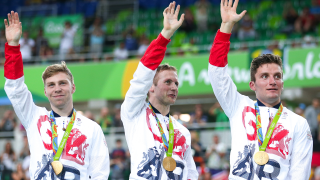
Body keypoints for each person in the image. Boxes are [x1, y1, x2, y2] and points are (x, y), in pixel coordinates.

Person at [208, 0, 313, 179]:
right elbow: (217, 72)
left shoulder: (298, 123)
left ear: (282, 83)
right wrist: (226, 27)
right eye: (264, 76)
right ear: (252, 85)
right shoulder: (238, 106)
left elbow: (299, 174)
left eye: (277, 76)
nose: (272, 81)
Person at [4, 11, 110, 179]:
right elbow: (15, 88)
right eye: (51, 85)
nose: (57, 88)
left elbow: (100, 174)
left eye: (62, 83)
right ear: (45, 91)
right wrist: (13, 46)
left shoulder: (92, 128)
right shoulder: (34, 118)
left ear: (73, 87)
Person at [121, 2, 198, 179]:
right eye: (168, 82)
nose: (174, 87)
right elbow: (142, 75)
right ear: (151, 87)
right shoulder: (134, 114)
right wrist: (166, 35)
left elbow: (191, 174)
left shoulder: (182, 131)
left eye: (176, 83)